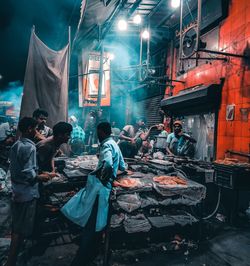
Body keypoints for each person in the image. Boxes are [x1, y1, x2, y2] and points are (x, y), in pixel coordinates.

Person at [65, 122, 126, 266]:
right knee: (98, 220)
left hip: (100, 189)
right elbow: (122, 166)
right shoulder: (115, 144)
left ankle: (83, 256)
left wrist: (103, 178)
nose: (97, 135)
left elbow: (109, 164)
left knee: (92, 222)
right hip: (106, 188)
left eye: (98, 132)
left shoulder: (105, 145)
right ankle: (93, 248)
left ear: (101, 132)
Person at [4, 117, 51, 266]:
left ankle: (15, 257)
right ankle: (11, 261)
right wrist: (41, 177)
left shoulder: (16, 144)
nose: (37, 132)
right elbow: (28, 173)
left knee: (17, 227)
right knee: (20, 231)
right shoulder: (29, 147)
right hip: (27, 194)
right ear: (30, 129)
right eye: (36, 129)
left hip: (17, 191)